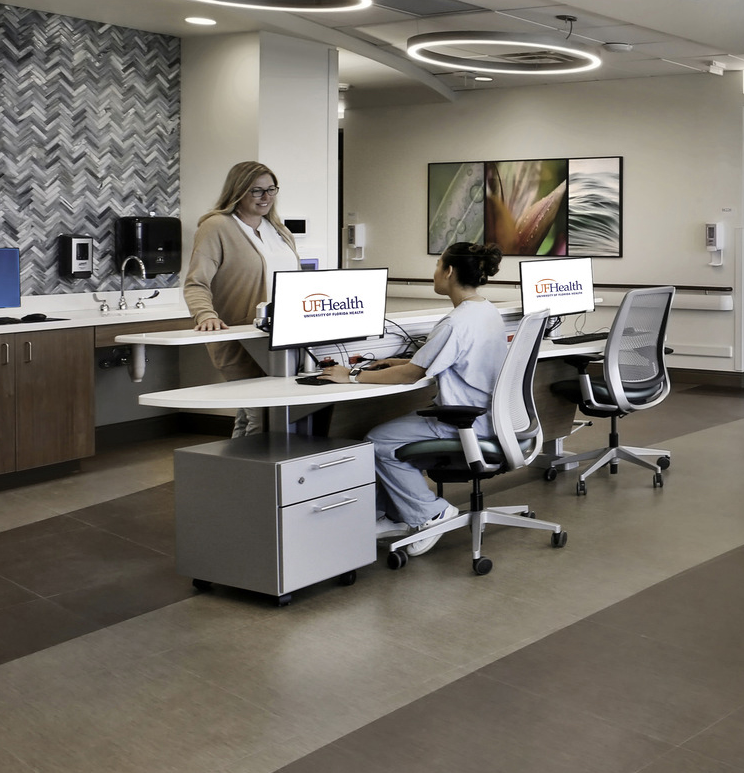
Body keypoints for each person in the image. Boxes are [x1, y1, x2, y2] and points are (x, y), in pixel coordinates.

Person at [315, 242, 506, 555]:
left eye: (437, 266)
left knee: (378, 440)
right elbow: (424, 365)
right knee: (389, 432)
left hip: (464, 421)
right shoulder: (484, 310)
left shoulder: (455, 323)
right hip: (489, 417)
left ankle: (431, 512)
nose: (434, 273)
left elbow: (411, 376)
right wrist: (399, 363)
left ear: (449, 271)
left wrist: (351, 376)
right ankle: (397, 515)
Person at [184, 161, 299, 435]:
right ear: (238, 192)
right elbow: (196, 282)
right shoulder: (216, 227)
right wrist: (206, 315)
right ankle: (255, 476)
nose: (266, 197)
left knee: (253, 415)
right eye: (256, 191)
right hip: (241, 335)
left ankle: (235, 475)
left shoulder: (279, 230)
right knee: (262, 416)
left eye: (271, 190)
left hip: (281, 337)